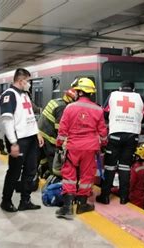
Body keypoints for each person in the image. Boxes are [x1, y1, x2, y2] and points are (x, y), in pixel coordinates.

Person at [55, 77, 108, 219]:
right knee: (86, 176)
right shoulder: (98, 109)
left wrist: (59, 144)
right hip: (90, 148)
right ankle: (82, 205)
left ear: (79, 92)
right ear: (91, 94)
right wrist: (103, 144)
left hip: (73, 147)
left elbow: (62, 130)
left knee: (69, 175)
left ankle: (67, 207)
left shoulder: (69, 108)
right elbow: (103, 132)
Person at [0, 68, 44, 212]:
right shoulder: (9, 95)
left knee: (30, 170)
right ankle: (6, 201)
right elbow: (7, 120)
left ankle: (25, 200)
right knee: (14, 171)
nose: (29, 83)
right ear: (21, 80)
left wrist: (37, 133)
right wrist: (13, 143)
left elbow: (30, 116)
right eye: (28, 81)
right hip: (19, 140)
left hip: (31, 139)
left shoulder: (25, 95)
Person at [96, 80, 144, 205]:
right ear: (133, 89)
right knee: (125, 167)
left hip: (115, 134)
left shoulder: (113, 95)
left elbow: (104, 113)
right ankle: (124, 198)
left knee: (110, 166)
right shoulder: (140, 97)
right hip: (132, 136)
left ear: (120, 88)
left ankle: (105, 196)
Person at [38, 88, 78, 178]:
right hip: (48, 136)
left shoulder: (56, 101)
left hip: (41, 133)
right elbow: (59, 128)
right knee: (53, 157)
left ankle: (43, 172)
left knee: (43, 157)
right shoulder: (62, 107)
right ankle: (52, 178)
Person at [129, 142, 144, 208]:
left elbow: (130, 184)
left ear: (137, 157)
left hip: (135, 198)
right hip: (143, 197)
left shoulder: (135, 168)